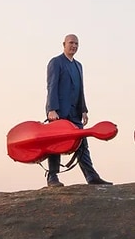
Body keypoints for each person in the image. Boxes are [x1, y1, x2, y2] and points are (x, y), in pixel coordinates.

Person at [44, 34, 112, 187]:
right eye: (71, 43)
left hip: (75, 113)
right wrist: (51, 109)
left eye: (76, 44)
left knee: (82, 144)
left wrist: (84, 110)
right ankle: (52, 177)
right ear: (64, 44)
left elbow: (81, 89)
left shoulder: (78, 65)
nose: (73, 46)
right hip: (59, 112)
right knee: (56, 144)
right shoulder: (56, 62)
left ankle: (91, 176)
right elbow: (51, 86)